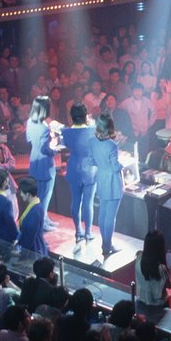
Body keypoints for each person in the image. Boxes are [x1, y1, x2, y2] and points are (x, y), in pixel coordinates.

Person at [61, 102, 97, 242]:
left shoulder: (66, 132)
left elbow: (65, 145)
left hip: (74, 167)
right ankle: (88, 233)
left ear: (72, 117)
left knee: (76, 201)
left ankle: (78, 231)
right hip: (89, 169)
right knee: (88, 202)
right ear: (85, 115)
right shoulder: (93, 130)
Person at [90, 111, 123, 258]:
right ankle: (107, 245)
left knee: (103, 213)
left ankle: (106, 244)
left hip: (101, 179)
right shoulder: (112, 145)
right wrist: (123, 164)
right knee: (111, 217)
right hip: (113, 181)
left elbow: (92, 160)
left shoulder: (92, 141)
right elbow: (115, 167)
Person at [26, 95, 58, 231]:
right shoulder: (44, 127)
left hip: (34, 161)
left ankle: (44, 218)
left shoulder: (29, 122)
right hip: (45, 164)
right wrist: (55, 147)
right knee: (44, 195)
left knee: (39, 195)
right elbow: (46, 149)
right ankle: (42, 223)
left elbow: (28, 139)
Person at [134, 229, 171, 322]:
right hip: (158, 306)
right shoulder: (161, 268)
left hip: (141, 302)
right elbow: (169, 286)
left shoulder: (138, 259)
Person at [16, 176, 48, 255]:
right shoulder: (33, 207)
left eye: (22, 192)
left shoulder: (35, 211)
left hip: (34, 252)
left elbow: (30, 238)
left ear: (28, 194)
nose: (20, 194)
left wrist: (22, 255)